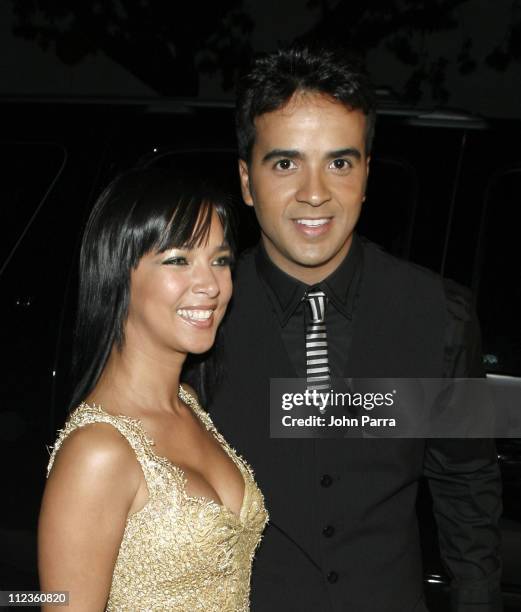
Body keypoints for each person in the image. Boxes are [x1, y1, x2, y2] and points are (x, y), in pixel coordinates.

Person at [208, 48, 503, 611]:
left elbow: (467, 488)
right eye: (285, 163)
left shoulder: (441, 314)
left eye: (340, 163)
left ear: (367, 173)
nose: (315, 191)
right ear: (246, 181)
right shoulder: (201, 317)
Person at [38, 168, 268, 611]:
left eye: (220, 260)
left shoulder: (189, 403)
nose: (211, 285)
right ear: (119, 273)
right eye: (178, 260)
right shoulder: (97, 452)